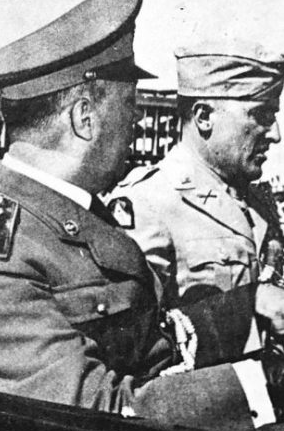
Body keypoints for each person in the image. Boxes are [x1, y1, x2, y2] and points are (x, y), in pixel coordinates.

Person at [0, 0, 284, 431]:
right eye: (130, 106)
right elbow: (100, 415)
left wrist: (252, 305)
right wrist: (270, 386)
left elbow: (147, 340)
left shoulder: (70, 217)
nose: (138, 122)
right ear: (84, 118)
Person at [108, 40, 283, 307]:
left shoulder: (257, 202)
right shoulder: (149, 203)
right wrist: (249, 309)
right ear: (204, 117)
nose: (275, 134)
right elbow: (131, 335)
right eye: (261, 115)